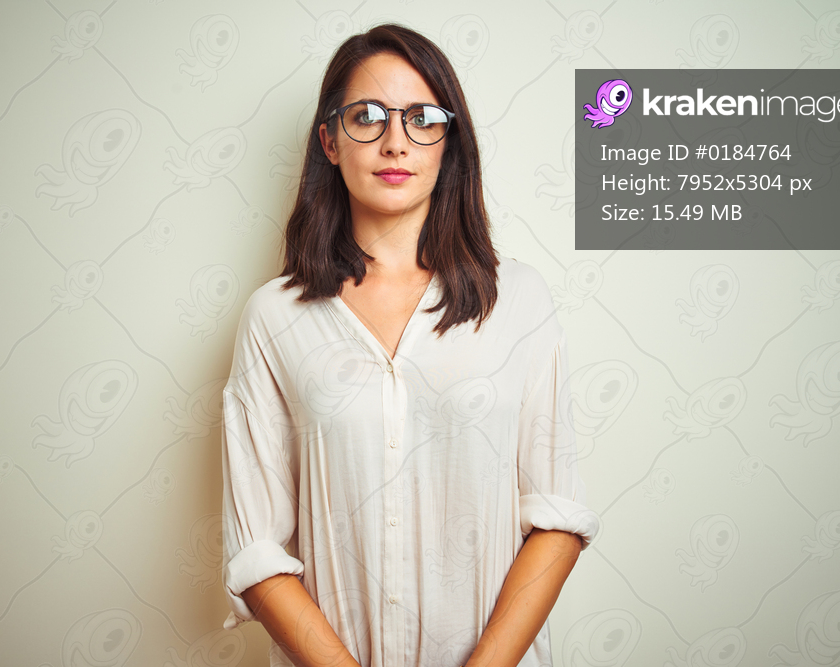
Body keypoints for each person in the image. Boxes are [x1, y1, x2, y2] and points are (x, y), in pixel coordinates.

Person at [220, 23, 599, 667]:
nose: (395, 141)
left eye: (423, 117)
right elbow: (256, 549)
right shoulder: (273, 318)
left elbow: (557, 518)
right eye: (367, 116)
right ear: (329, 141)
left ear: (449, 142)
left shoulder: (521, 301)